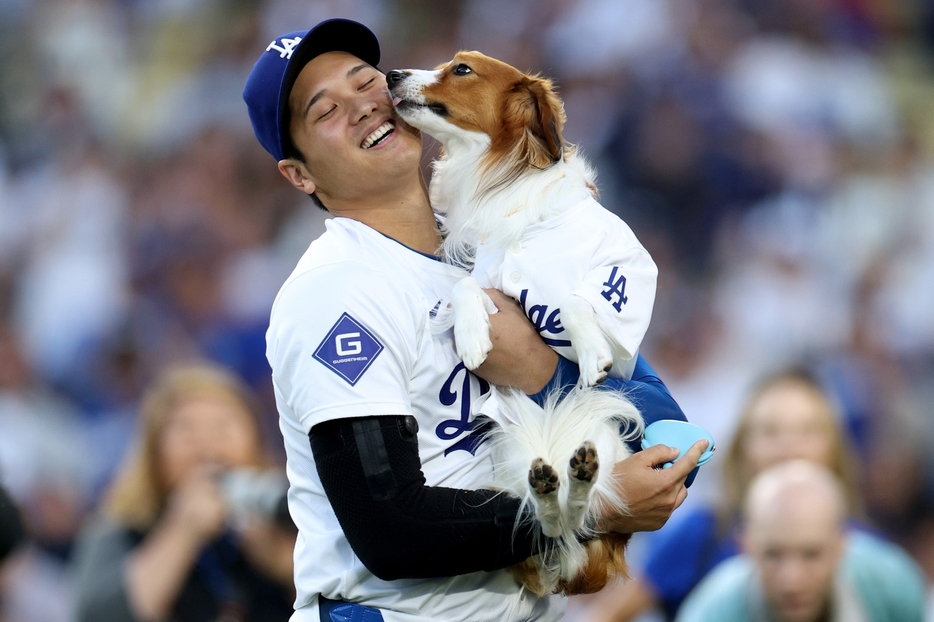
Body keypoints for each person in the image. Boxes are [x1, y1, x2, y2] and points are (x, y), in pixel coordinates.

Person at [242, 17, 708, 622]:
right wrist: (592, 508)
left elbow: (667, 436)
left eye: (365, 82)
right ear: (299, 174)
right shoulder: (336, 289)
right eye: (325, 111)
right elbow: (391, 527)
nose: (361, 107)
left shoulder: (500, 239)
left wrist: (546, 374)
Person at [585, 368, 863, 621]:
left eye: (808, 430)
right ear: (742, 447)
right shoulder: (703, 534)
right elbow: (606, 615)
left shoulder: (868, 551)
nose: (789, 447)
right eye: (770, 431)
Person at [72, 364, 296, 622]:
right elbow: (99, 615)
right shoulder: (121, 529)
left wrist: (285, 566)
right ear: (154, 454)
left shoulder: (288, 515)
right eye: (186, 429)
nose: (206, 444)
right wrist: (184, 530)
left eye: (222, 426)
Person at [675, 460, 926, 622]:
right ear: (746, 546)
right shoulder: (710, 612)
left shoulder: (894, 587)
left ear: (842, 545)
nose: (792, 581)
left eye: (811, 554)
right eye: (773, 554)